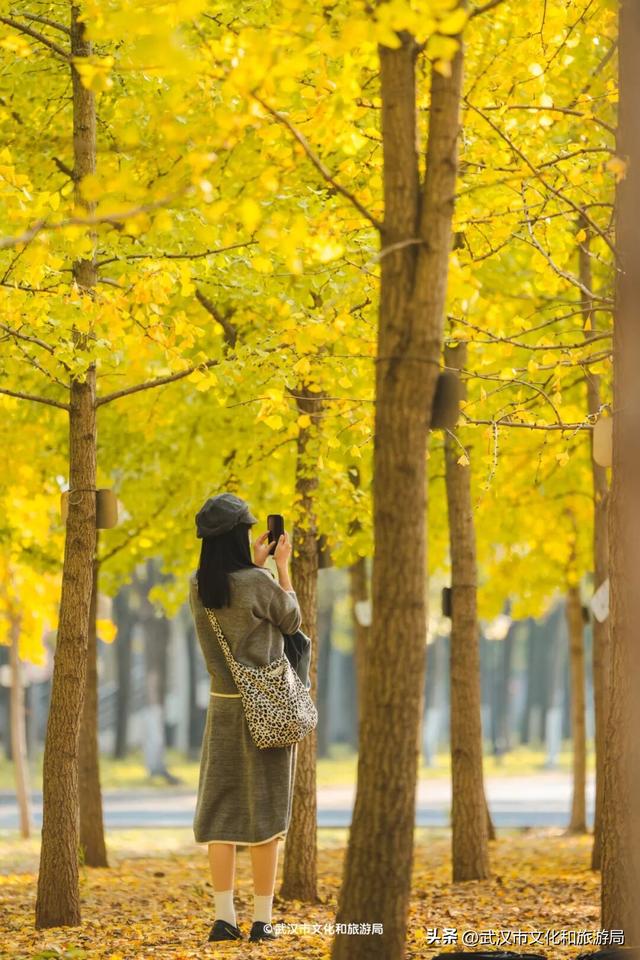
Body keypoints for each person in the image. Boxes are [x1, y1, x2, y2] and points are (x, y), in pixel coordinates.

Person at [189, 492, 302, 944]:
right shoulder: (258, 583)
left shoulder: (197, 584)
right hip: (268, 707)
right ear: (241, 536)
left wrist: (254, 567)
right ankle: (262, 920)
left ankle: (223, 919)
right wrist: (280, 568)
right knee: (266, 815)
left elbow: (228, 592)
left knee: (221, 813)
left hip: (223, 707)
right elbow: (291, 620)